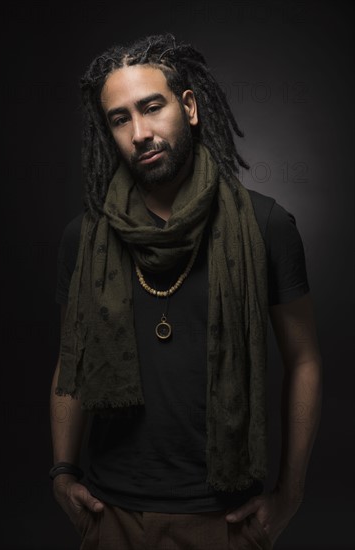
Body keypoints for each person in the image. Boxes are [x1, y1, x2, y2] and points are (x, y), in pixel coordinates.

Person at [50, 33, 322, 550]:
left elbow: (304, 360)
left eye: (152, 107)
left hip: (225, 518)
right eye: (120, 118)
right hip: (112, 513)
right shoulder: (84, 239)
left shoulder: (266, 225)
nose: (140, 132)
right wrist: (63, 472)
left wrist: (291, 494)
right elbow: (70, 361)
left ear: (190, 107)